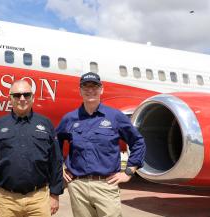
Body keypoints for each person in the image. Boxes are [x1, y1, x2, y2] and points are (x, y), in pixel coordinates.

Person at [56, 72, 146, 217]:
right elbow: (55, 142)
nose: (90, 90)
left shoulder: (115, 116)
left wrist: (129, 171)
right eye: (86, 87)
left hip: (106, 186)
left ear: (101, 89)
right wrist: (59, 166)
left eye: (94, 86)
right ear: (80, 91)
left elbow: (138, 141)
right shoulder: (70, 118)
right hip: (78, 186)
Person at [0, 80, 63, 217]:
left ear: (32, 97)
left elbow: (56, 161)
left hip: (39, 200)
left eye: (26, 95)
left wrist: (55, 194)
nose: (22, 99)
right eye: (17, 95)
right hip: (6, 201)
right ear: (10, 98)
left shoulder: (46, 124)